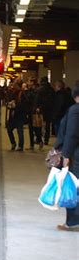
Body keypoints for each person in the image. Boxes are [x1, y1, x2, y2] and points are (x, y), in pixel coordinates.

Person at [55, 84, 79, 231]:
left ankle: (73, 222)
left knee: (73, 187)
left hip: (76, 155)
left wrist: (65, 156)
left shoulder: (75, 110)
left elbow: (72, 135)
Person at [6, 82, 27, 151]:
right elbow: (9, 101)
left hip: (19, 115)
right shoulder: (12, 93)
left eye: (15, 85)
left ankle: (20, 146)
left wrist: (16, 106)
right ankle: (13, 143)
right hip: (13, 115)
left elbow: (24, 105)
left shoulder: (22, 94)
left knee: (20, 131)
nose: (13, 87)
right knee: (9, 129)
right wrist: (10, 104)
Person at [35, 76, 55, 145]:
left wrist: (37, 107)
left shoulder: (40, 89)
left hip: (41, 109)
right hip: (49, 109)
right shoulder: (51, 89)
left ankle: (39, 139)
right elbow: (53, 100)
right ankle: (46, 140)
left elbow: (37, 99)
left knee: (39, 124)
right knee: (48, 125)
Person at [24, 79, 42, 150]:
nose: (27, 83)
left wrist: (26, 91)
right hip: (30, 111)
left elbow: (28, 99)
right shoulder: (32, 90)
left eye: (29, 81)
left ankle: (39, 141)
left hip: (33, 112)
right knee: (32, 128)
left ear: (32, 83)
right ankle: (33, 144)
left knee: (34, 128)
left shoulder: (34, 91)